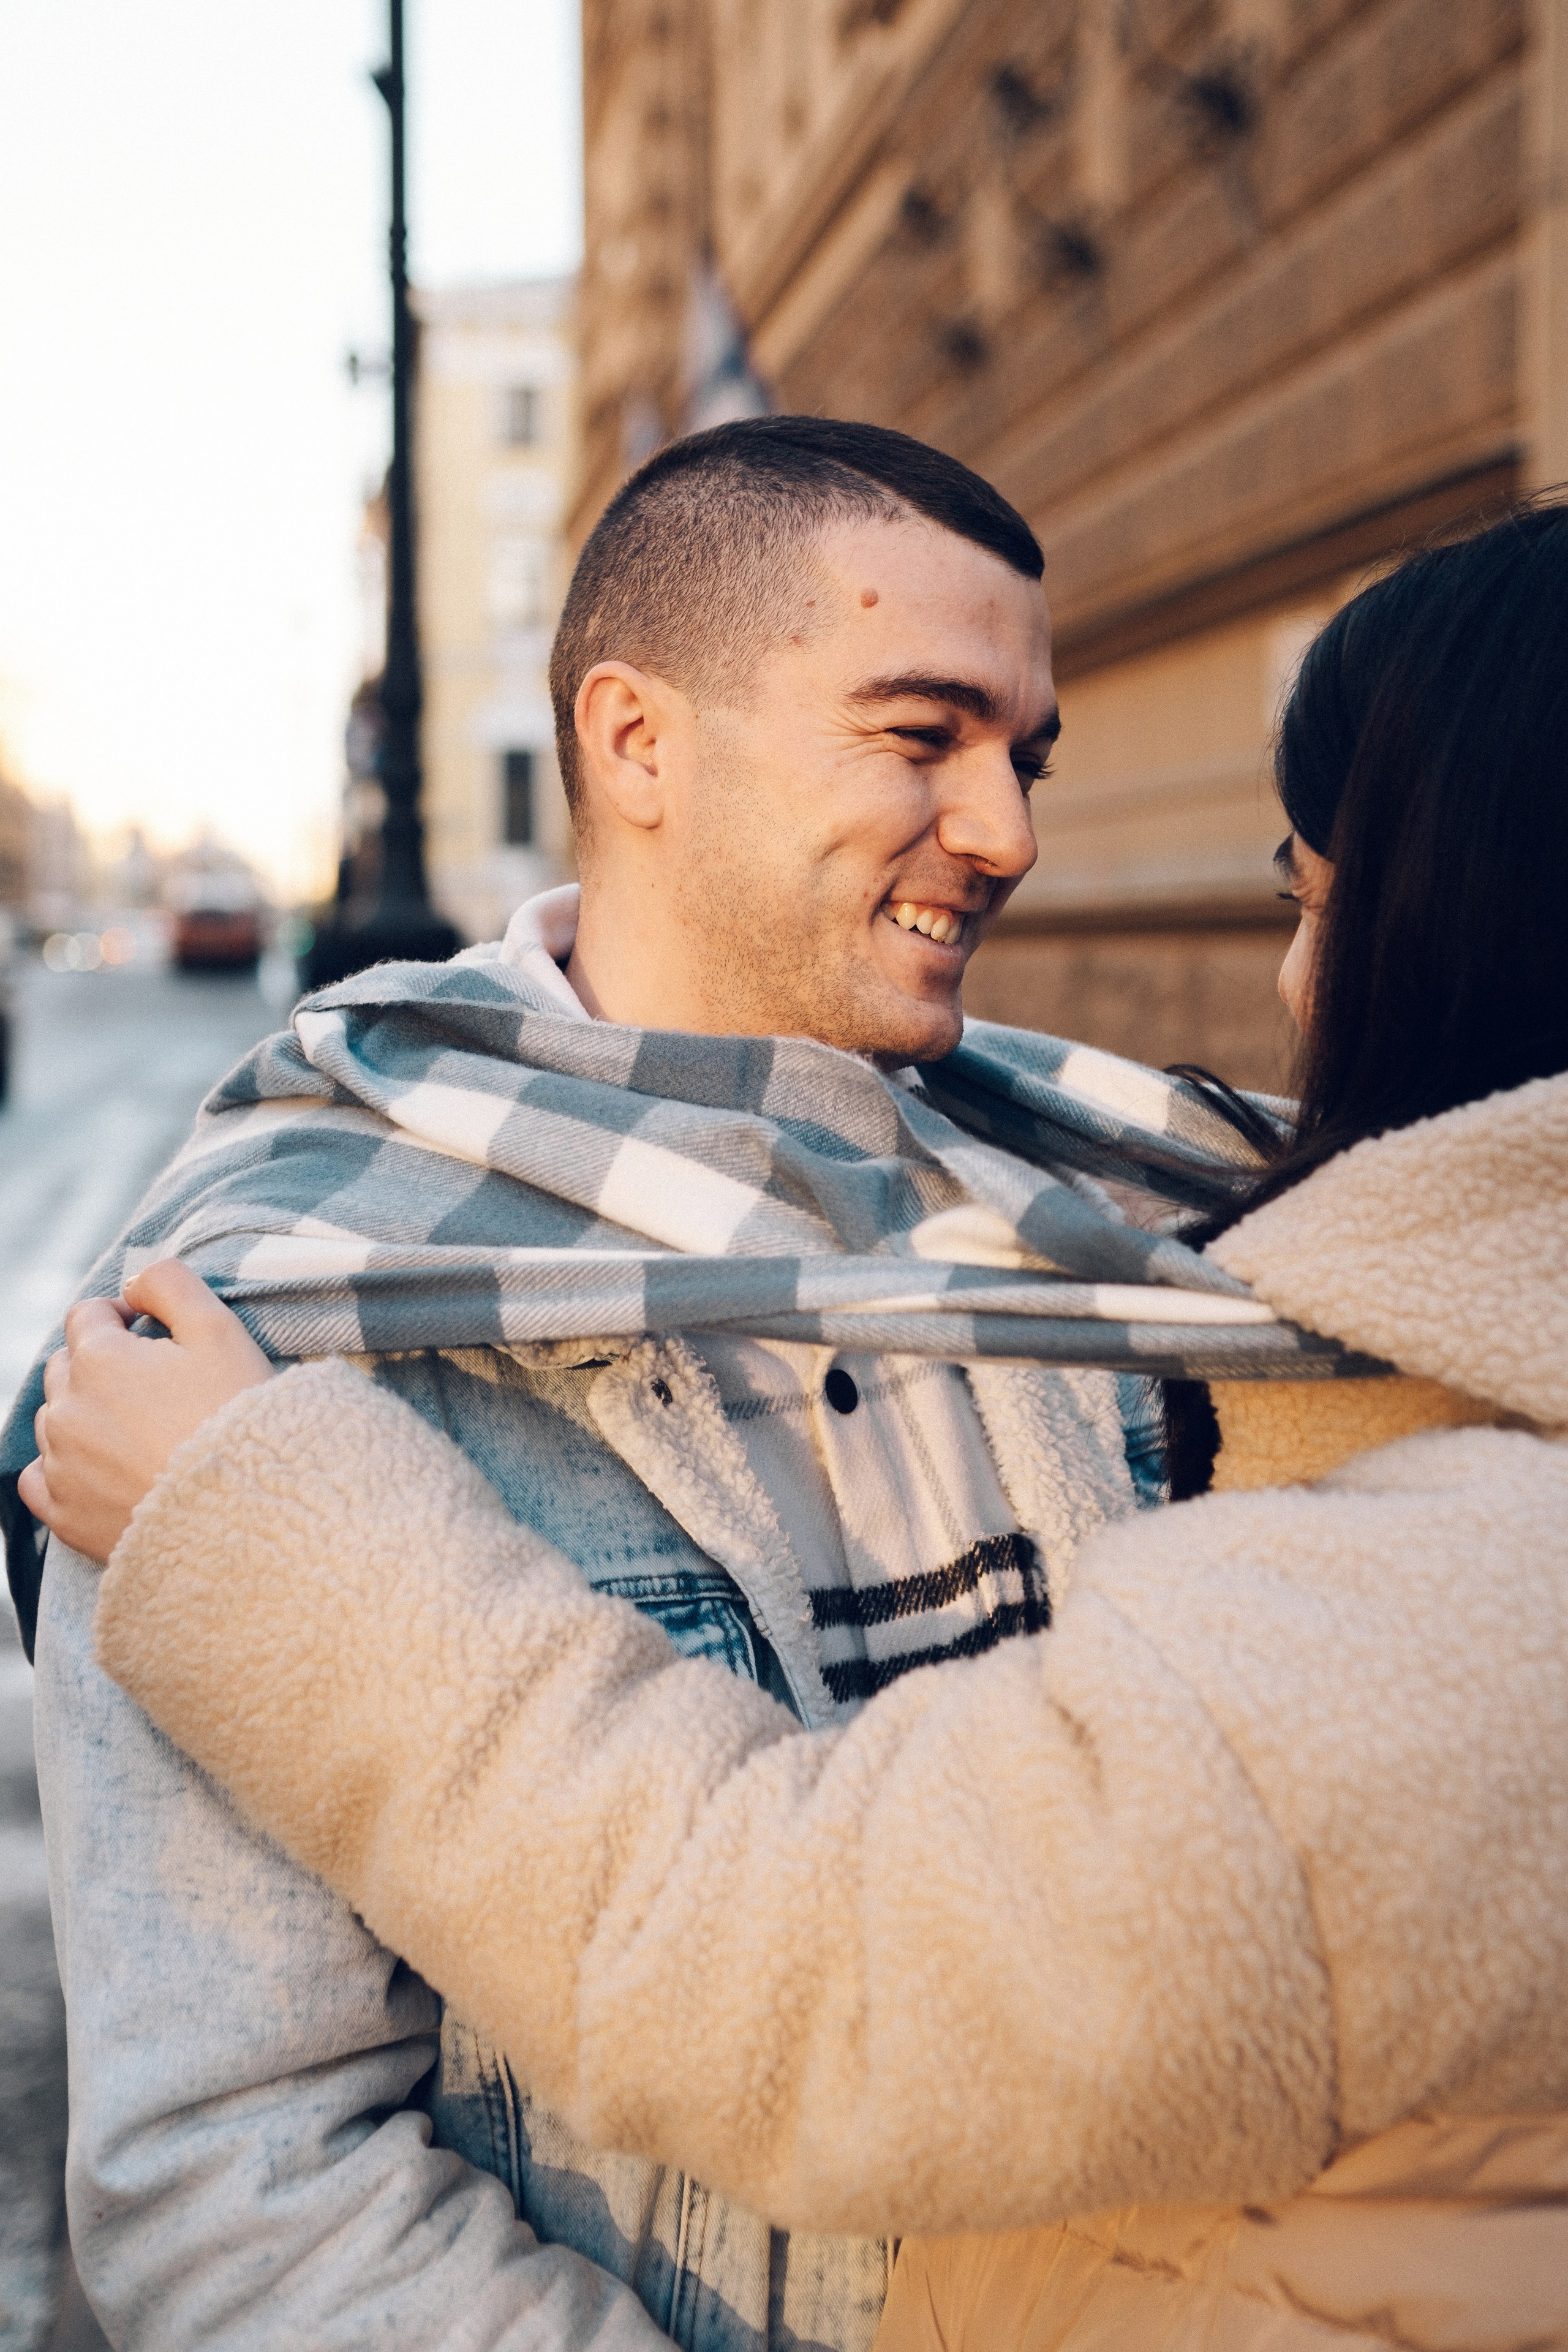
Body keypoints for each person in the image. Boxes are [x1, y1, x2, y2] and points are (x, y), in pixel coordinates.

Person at [22, 498, 1568, 2347]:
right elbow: (243, 2197)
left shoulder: (1132, 1244)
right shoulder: (266, 1317)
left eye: (1026, 756)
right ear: (637, 740)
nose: (1011, 833)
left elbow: (847, 1980)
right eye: (925, 738)